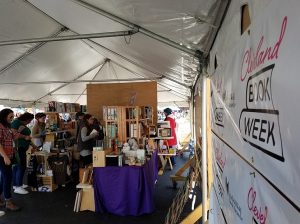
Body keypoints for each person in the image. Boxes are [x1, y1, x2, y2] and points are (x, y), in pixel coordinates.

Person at [0, 109, 28, 211]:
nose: (12, 119)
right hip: (3, 156)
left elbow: (13, 137)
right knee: (7, 178)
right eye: (10, 117)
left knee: (4, 177)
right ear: (4, 117)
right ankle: (8, 201)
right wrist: (5, 157)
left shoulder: (7, 126)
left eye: (12, 117)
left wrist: (20, 132)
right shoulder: (0, 127)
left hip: (8, 155)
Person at [11, 112, 34, 195]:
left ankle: (16, 184)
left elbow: (25, 136)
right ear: (26, 119)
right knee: (21, 166)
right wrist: (25, 137)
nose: (30, 122)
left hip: (22, 147)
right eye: (30, 120)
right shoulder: (16, 122)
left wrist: (32, 144)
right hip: (18, 147)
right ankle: (18, 186)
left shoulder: (20, 123)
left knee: (17, 166)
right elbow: (14, 134)